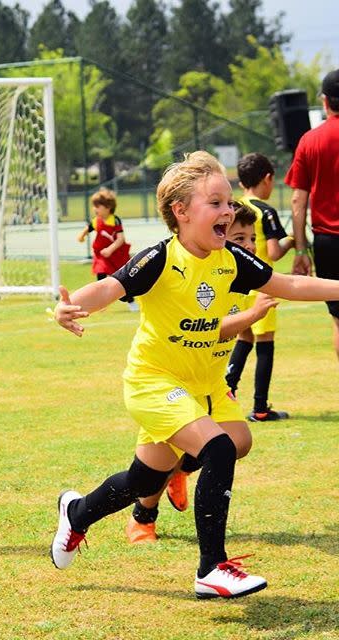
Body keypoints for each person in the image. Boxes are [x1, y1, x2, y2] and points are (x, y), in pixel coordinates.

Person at [50, 150, 339, 599]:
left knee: (152, 478)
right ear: (181, 212)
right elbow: (110, 286)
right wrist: (71, 306)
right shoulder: (161, 260)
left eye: (228, 203)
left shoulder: (230, 261)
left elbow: (290, 284)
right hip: (156, 383)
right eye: (217, 204)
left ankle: (77, 513)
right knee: (220, 447)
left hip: (203, 385)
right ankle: (212, 568)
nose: (228, 212)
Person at [125, 202, 279, 544]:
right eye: (239, 237)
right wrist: (251, 316)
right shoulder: (200, 267)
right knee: (154, 467)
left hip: (208, 380)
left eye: (252, 238)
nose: (250, 246)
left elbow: (239, 337)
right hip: (171, 379)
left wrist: (230, 379)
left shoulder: (239, 272)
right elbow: (211, 328)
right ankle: (142, 517)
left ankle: (182, 470)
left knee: (238, 441)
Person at [225, 153, 294, 421]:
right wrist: (293, 240)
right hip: (261, 288)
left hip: (236, 287)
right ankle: (261, 408)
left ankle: (226, 390)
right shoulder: (265, 211)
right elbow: (274, 253)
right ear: (267, 179)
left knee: (244, 338)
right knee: (265, 343)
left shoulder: (235, 207)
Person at [286, 68, 339, 359]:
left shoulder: (310, 141)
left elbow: (298, 200)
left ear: (325, 101)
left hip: (329, 242)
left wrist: (300, 250)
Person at [77, 188, 138, 312]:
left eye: (97, 206)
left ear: (108, 207)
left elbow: (121, 239)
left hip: (117, 255)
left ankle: (131, 301)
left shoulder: (115, 220)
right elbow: (88, 228)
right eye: (94, 206)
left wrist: (110, 249)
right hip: (102, 255)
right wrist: (82, 236)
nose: (95, 209)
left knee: (122, 279)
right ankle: (102, 302)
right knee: (100, 273)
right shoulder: (96, 221)